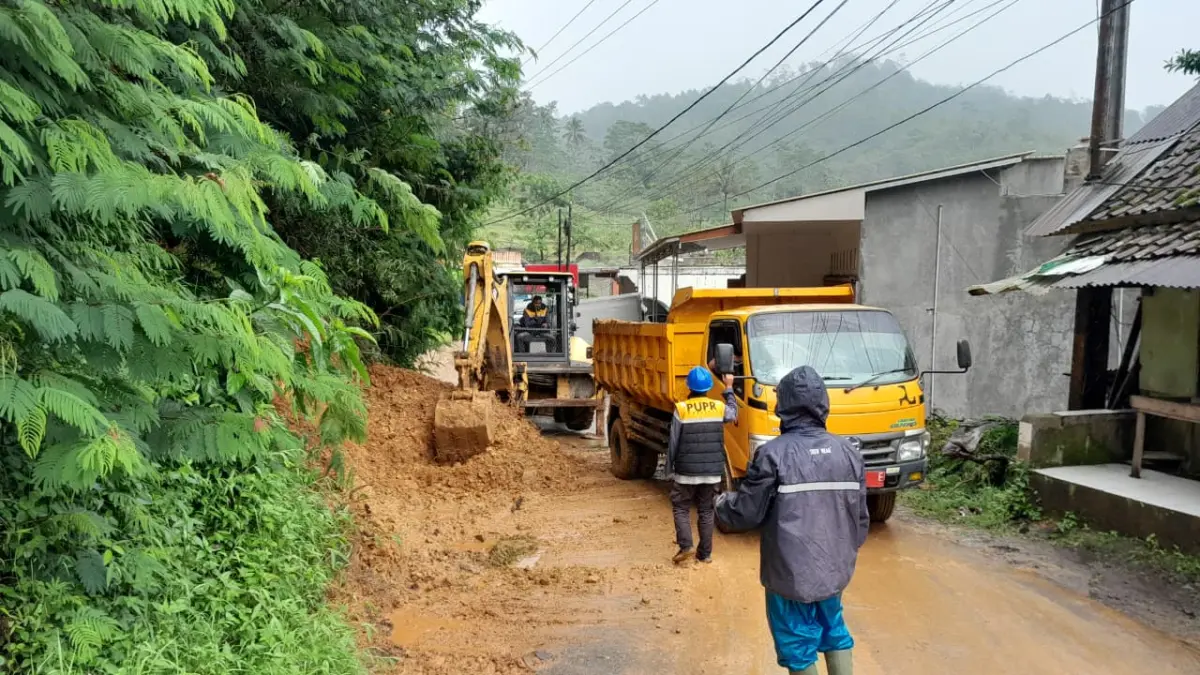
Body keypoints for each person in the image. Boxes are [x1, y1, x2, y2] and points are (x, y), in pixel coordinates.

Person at [715, 365, 868, 675]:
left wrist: (720, 504)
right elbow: (860, 519)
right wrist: (841, 552)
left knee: (796, 644)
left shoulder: (773, 454)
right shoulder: (848, 452)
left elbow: (746, 512)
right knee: (833, 629)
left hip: (789, 573)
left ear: (782, 405)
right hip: (834, 570)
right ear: (823, 404)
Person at [666, 366, 738, 565]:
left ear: (688, 386)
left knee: (681, 507)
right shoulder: (719, 407)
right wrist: (729, 388)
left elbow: (673, 441)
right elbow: (733, 414)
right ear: (708, 387)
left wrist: (669, 468)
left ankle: (686, 546)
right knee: (706, 510)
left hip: (686, 471)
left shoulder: (681, 409)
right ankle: (705, 554)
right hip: (712, 472)